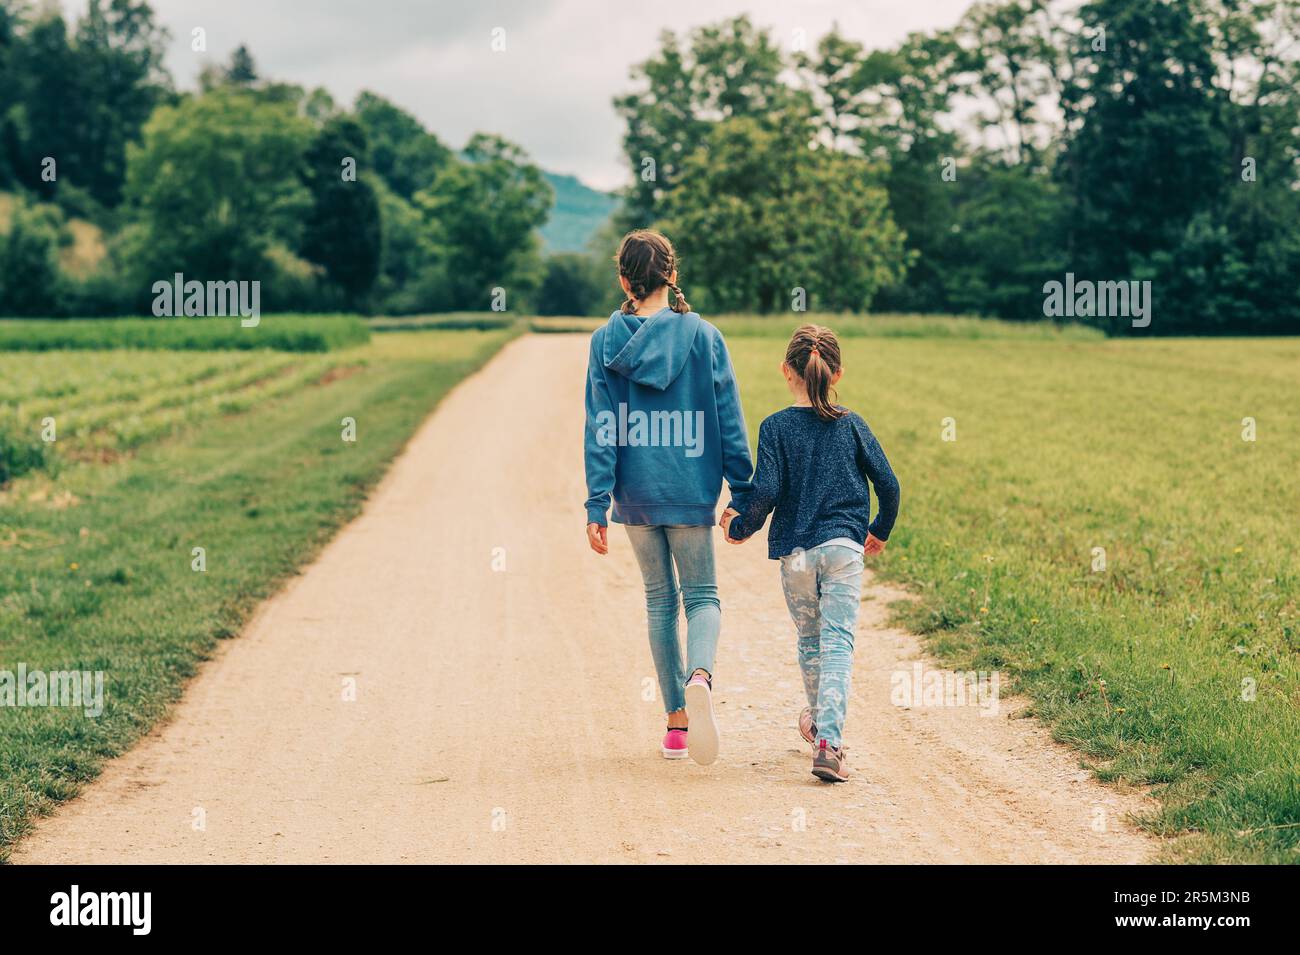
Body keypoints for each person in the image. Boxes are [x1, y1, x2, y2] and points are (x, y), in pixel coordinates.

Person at [584, 229, 752, 765]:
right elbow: (728, 418)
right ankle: (700, 675)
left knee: (660, 600)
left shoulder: (605, 342)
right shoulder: (704, 336)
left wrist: (597, 502)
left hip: (636, 496)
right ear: (672, 276)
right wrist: (744, 490)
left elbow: (601, 426)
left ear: (624, 281)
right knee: (701, 597)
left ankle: (676, 725)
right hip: (689, 490)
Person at [722, 324, 900, 782]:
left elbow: (766, 490)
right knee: (838, 641)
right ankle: (828, 742)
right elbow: (889, 484)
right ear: (837, 372)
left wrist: (740, 525)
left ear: (786, 371)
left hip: (797, 556)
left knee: (810, 639)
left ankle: (820, 723)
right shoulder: (852, 423)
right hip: (843, 547)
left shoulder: (776, 427)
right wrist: (878, 529)